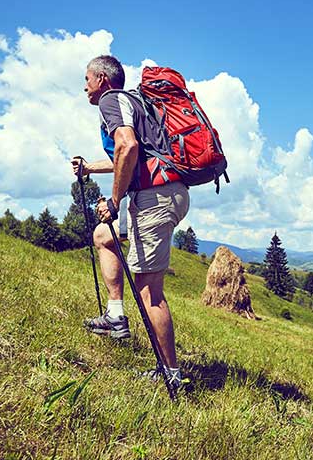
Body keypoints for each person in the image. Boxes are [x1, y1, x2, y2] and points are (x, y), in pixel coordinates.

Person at [72, 54, 189, 389]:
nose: (85, 87)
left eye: (88, 79)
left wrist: (114, 200)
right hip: (165, 191)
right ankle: (115, 316)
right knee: (104, 237)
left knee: (150, 291)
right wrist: (90, 168)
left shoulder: (111, 100)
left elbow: (127, 146)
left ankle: (171, 375)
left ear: (103, 79)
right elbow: (127, 157)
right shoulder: (134, 103)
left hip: (154, 197)